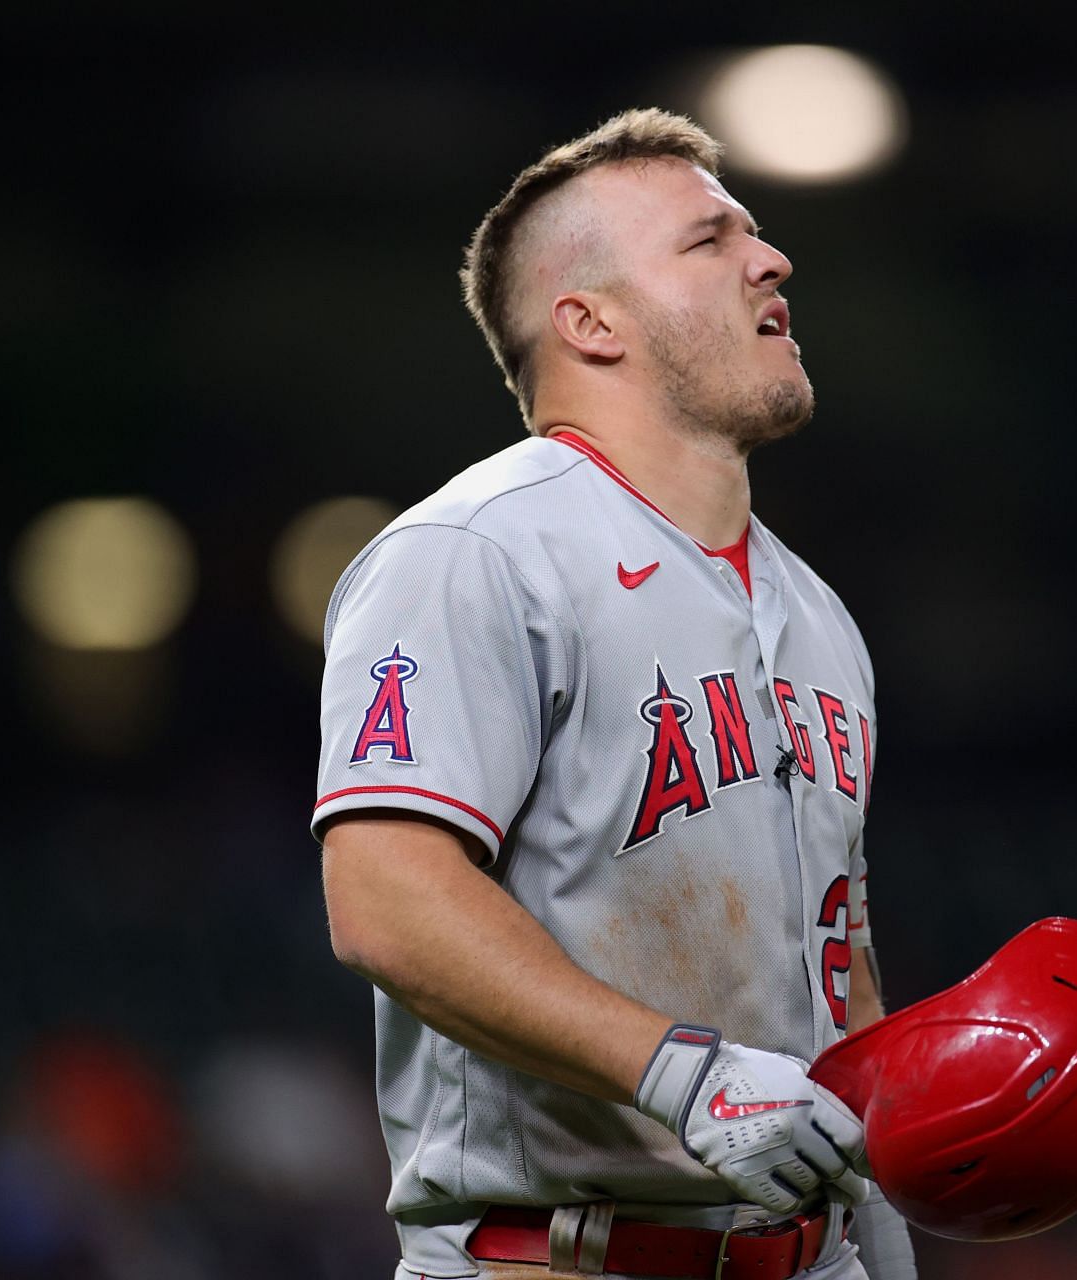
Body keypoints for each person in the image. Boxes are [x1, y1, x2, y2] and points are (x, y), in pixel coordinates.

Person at [315, 108, 916, 1280]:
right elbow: (383, 894)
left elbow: (837, 968)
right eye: (709, 241)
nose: (771, 257)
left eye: (754, 233)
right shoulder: (478, 548)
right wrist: (680, 1071)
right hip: (554, 1255)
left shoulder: (819, 615)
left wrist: (876, 1228)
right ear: (590, 322)